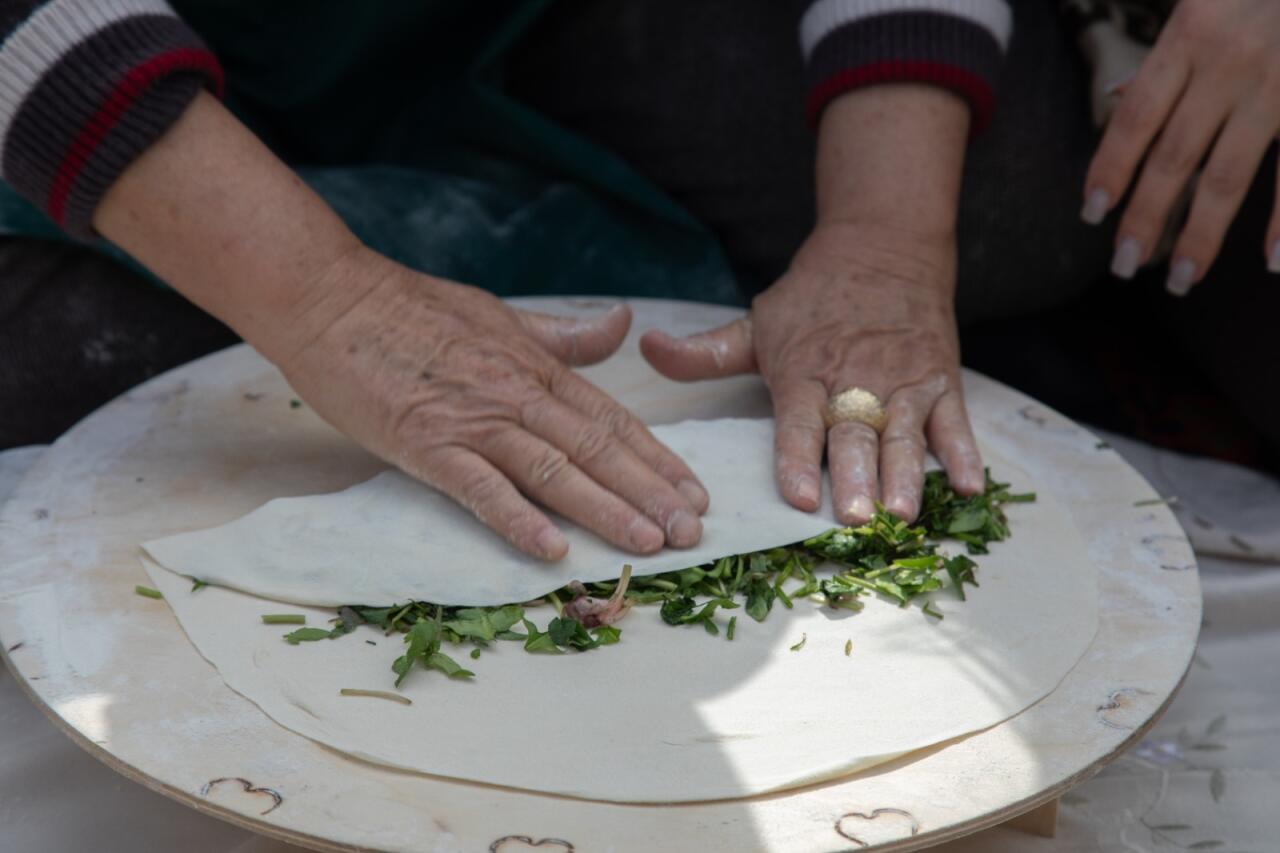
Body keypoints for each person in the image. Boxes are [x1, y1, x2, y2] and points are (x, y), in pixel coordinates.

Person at [0, 0, 1275, 560]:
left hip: (508, 22)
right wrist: (327, 301)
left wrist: (886, 243)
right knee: (93, 379)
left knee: (1008, 201)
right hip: (89, 80)